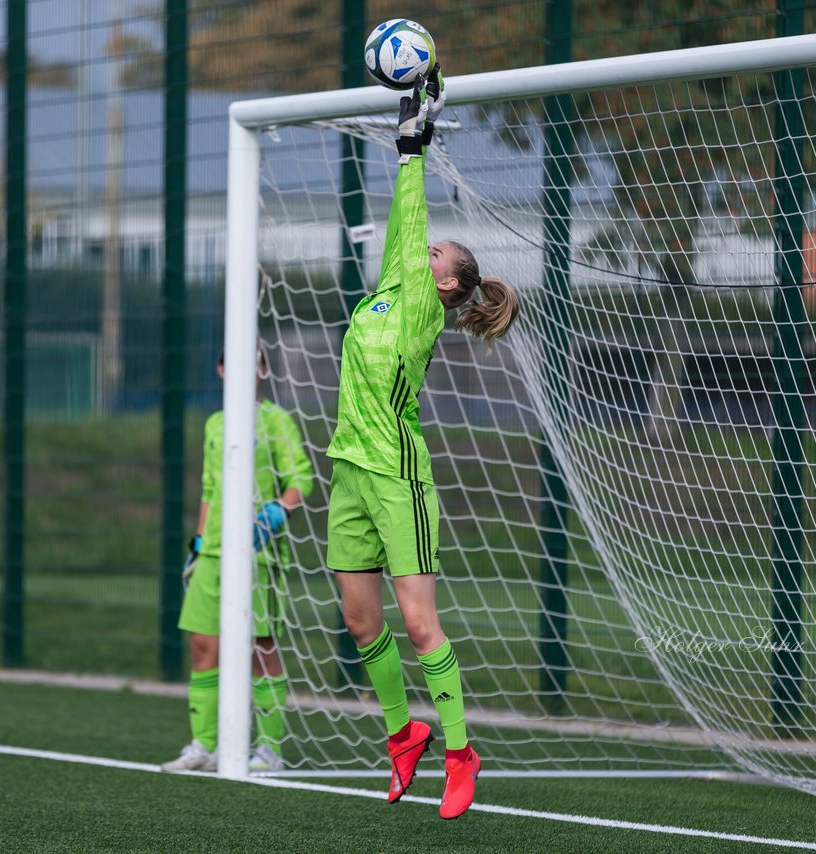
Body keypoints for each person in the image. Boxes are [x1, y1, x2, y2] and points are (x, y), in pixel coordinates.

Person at [324, 67, 520, 820]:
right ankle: (403, 732)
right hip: (347, 470)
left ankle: (461, 749)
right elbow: (401, 237)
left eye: (438, 253)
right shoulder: (387, 291)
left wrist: (414, 143)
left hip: (396, 475)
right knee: (359, 620)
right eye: (429, 249)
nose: (425, 251)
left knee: (417, 622)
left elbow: (408, 220)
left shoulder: (423, 312)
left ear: (448, 284)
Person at [162, 348, 313, 774]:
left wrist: (276, 511)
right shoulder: (215, 424)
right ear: (221, 368)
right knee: (201, 644)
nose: (245, 369)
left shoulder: (276, 420)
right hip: (213, 551)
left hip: (257, 550)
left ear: (262, 370)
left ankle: (269, 751)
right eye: (234, 362)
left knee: (259, 647)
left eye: (254, 361)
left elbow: (301, 479)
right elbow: (210, 488)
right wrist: (197, 541)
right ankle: (204, 746)